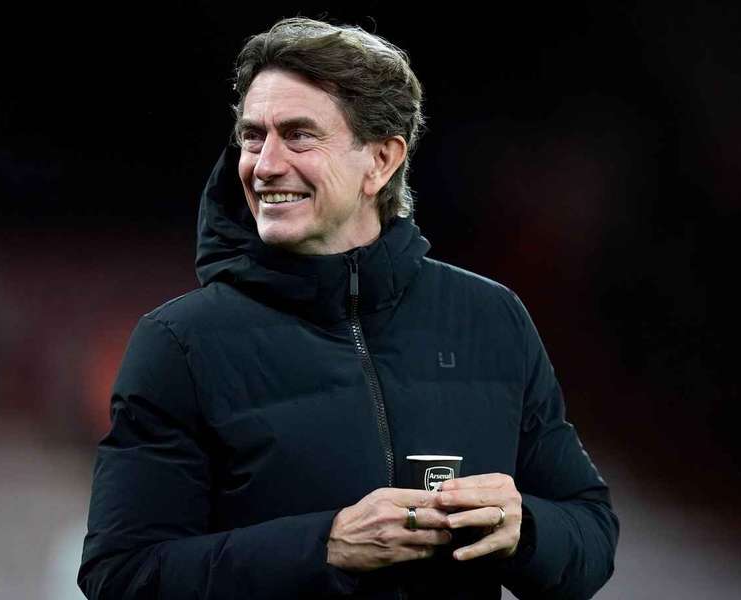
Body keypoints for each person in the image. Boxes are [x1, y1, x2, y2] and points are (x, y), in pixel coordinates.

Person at [79, 17, 618, 600]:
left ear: (381, 161)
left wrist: (525, 529)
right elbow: (122, 575)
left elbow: (591, 533)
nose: (264, 164)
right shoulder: (180, 342)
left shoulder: (490, 318)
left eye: (299, 135)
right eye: (253, 136)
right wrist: (327, 546)